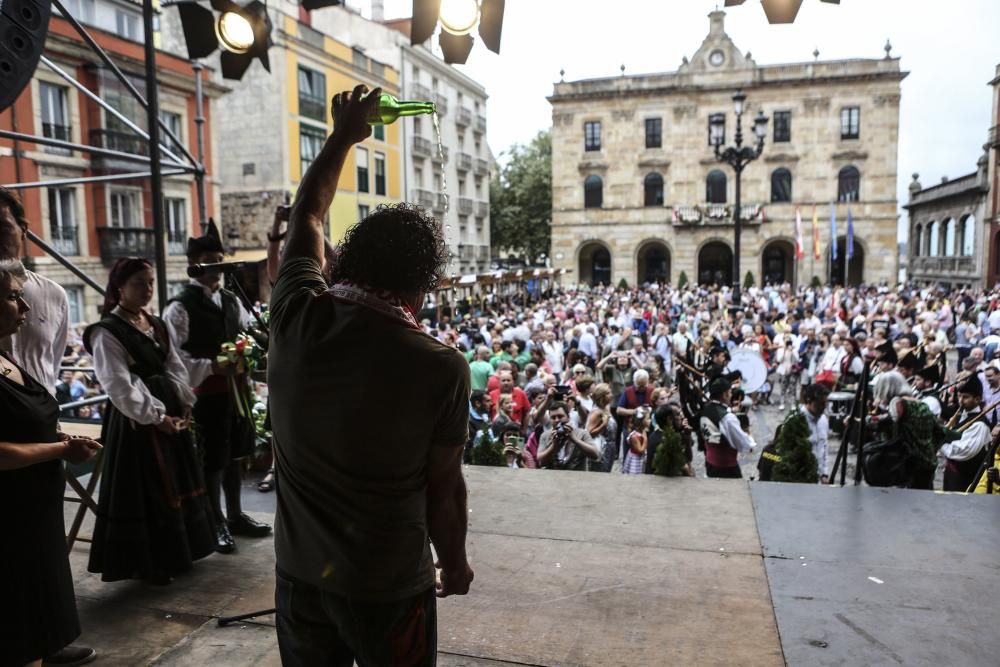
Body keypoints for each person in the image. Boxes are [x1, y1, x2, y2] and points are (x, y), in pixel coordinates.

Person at [267, 85, 472, 665]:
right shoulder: (438, 364)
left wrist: (343, 136)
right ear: (423, 282)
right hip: (387, 586)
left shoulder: (294, 313)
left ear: (346, 260)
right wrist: (453, 563)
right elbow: (444, 489)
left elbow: (307, 212)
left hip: (300, 576)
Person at [0, 188, 100, 667]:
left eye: (3, 226)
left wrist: (48, 425)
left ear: (23, 227)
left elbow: (52, 361)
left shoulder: (52, 293)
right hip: (14, 434)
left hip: (36, 416)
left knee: (44, 544)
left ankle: (50, 634)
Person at [83, 258, 216, 584]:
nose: (148, 289)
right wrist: (155, 417)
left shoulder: (155, 323)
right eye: (139, 283)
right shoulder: (107, 332)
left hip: (170, 410)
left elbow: (174, 366)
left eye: (151, 282)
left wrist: (185, 401)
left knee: (177, 480)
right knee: (150, 488)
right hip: (136, 420)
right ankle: (151, 562)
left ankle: (182, 551)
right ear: (119, 288)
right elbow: (117, 384)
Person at [163, 220, 271, 554]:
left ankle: (236, 515)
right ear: (194, 265)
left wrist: (250, 349)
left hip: (235, 393)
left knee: (236, 453)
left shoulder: (230, 300)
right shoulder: (180, 307)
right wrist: (212, 366)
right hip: (204, 396)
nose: (217, 268)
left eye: (219, 259)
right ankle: (216, 520)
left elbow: (244, 335)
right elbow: (173, 358)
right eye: (210, 260)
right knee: (213, 460)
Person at [871, 371, 956, 490]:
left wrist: (864, 419)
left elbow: (884, 422)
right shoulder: (919, 404)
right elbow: (939, 432)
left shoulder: (899, 404)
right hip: (926, 462)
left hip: (910, 464)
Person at [937, 375, 992, 492]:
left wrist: (940, 442)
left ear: (977, 399)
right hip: (951, 474)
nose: (961, 400)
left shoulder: (980, 424)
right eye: (960, 396)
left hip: (965, 478)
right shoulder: (960, 415)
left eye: (966, 397)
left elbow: (964, 450)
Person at [697, 378, 757, 478]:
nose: (731, 396)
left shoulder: (706, 409)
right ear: (725, 395)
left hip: (710, 464)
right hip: (726, 468)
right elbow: (744, 444)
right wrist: (749, 434)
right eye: (729, 393)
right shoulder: (727, 418)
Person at [536, 401, 601, 471]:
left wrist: (574, 439)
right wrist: (553, 446)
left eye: (560, 416)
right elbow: (541, 462)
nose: (557, 420)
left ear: (568, 417)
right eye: (553, 417)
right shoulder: (545, 435)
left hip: (577, 478)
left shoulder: (582, 433)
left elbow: (595, 455)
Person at [800, 383, 831, 484]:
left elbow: (824, 446)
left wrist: (824, 473)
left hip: (817, 479)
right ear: (809, 401)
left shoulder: (823, 420)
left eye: (825, 403)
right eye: (820, 403)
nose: (823, 407)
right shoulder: (798, 420)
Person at [585, 383, 617, 473]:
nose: (611, 395)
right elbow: (589, 433)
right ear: (602, 396)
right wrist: (603, 425)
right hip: (602, 449)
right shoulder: (597, 412)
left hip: (610, 448)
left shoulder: (606, 409)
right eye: (608, 393)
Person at [622, 407, 650, 475]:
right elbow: (640, 450)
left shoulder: (643, 432)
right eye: (648, 418)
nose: (650, 420)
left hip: (641, 459)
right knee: (635, 475)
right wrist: (645, 439)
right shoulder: (635, 436)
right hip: (636, 460)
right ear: (642, 421)